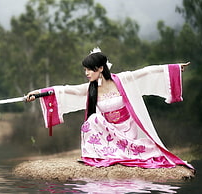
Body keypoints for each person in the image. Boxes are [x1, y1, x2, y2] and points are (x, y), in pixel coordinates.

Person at [26, 47, 193, 169]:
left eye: (89, 69)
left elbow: (146, 72)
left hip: (128, 130)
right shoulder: (90, 88)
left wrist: (175, 68)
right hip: (109, 133)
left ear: (100, 68)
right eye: (84, 70)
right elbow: (64, 89)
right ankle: (103, 154)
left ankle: (124, 151)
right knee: (92, 120)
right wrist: (37, 93)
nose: (86, 73)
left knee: (146, 150)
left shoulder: (122, 80)